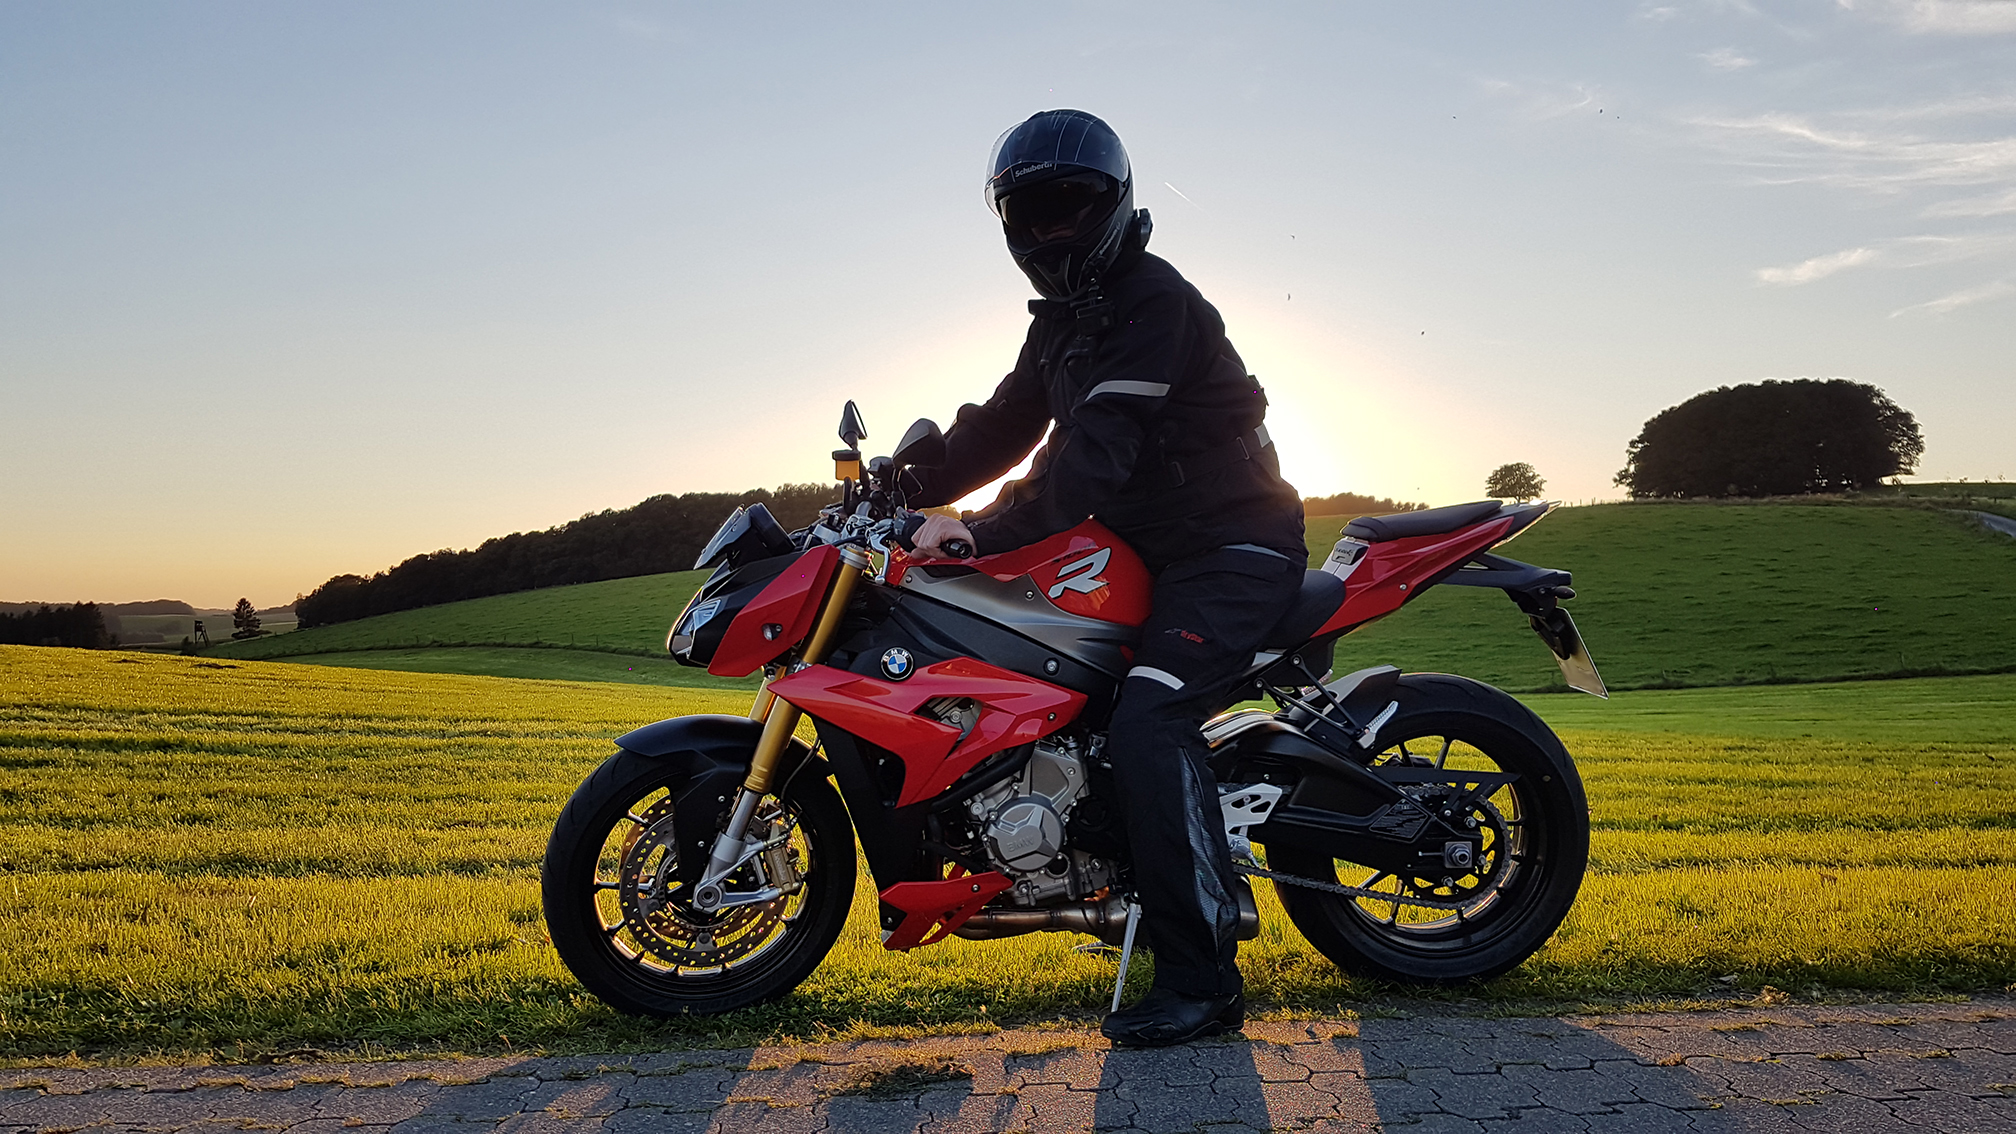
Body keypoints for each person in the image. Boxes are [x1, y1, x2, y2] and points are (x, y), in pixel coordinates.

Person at [903, 109, 1306, 1047]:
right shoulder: (1060, 324)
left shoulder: (1154, 302)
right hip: (1140, 550)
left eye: (1070, 206)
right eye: (1031, 212)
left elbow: (1091, 458)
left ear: (1114, 204)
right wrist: (901, 486)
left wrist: (978, 532)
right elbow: (1004, 425)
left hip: (1229, 545)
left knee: (1150, 717)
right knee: (1075, 704)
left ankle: (1202, 979)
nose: (1051, 230)